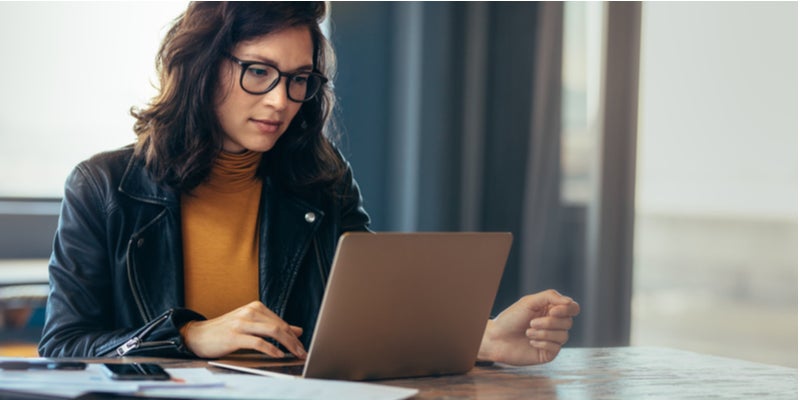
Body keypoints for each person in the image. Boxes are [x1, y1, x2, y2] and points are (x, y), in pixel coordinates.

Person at [38, 2, 580, 366]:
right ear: (201, 65)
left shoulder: (321, 178)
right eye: (258, 71)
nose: (280, 100)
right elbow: (63, 348)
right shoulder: (104, 187)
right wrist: (187, 337)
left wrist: (480, 338)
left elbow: (370, 317)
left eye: (299, 79)